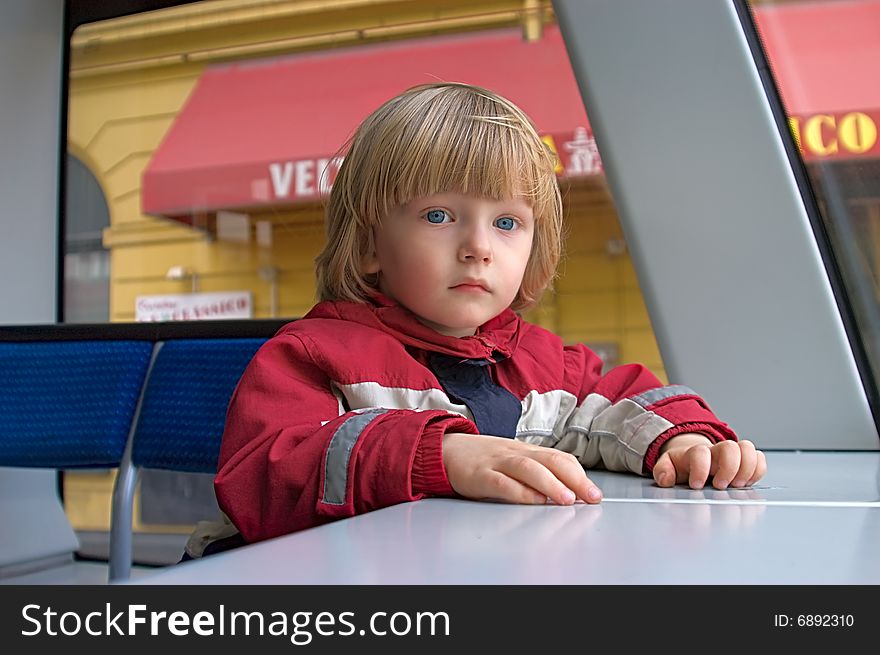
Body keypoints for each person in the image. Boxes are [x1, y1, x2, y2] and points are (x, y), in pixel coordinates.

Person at [185, 82, 766, 557]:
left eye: (507, 223)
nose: (478, 247)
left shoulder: (549, 365)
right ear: (368, 245)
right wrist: (438, 457)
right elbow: (262, 478)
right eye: (440, 214)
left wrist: (684, 439)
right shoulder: (313, 355)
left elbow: (617, 407)